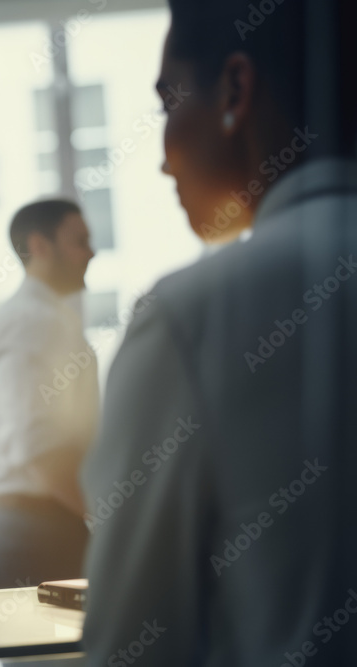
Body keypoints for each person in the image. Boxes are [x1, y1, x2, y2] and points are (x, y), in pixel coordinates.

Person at [81, 0, 357, 664]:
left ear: (236, 90)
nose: (163, 161)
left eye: (168, 102)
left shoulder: (192, 315)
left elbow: (131, 646)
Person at [0, 199, 98, 589]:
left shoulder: (35, 317)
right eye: (80, 241)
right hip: (36, 530)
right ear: (40, 246)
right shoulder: (35, 322)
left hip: (26, 523)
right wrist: (109, 519)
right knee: (56, 650)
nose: (92, 252)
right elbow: (40, 449)